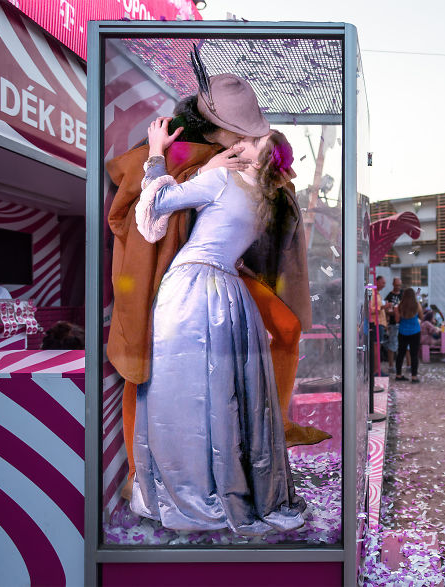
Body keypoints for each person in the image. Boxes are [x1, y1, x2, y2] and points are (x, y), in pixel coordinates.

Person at [106, 67, 326, 502]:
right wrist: (178, 162)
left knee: (277, 334)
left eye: (252, 134)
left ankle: (263, 433)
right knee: (149, 372)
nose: (246, 141)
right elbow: (138, 206)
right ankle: (142, 470)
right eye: (239, 132)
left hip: (222, 274)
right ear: (218, 125)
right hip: (174, 275)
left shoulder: (237, 164)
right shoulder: (190, 151)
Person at [130, 118, 305, 534]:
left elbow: (158, 204)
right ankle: (225, 487)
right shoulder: (263, 199)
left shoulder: (224, 180)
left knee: (180, 394)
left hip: (192, 288)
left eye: (252, 140)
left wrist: (157, 152)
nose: (242, 142)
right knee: (223, 398)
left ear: (263, 155)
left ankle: (189, 492)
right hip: (229, 293)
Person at [395, 287, 423, 383]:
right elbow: (421, 316)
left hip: (402, 332)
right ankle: (414, 377)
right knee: (414, 355)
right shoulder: (417, 305)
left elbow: (397, 320)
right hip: (415, 331)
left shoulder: (399, 306)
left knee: (400, 353)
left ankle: (398, 375)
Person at [369, 275, 388, 376]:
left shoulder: (377, 294)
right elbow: (370, 309)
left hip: (379, 323)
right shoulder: (372, 293)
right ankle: (376, 370)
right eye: (383, 283)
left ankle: (377, 369)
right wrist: (383, 307)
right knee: (376, 347)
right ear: (377, 282)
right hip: (375, 323)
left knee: (378, 347)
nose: (384, 285)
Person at [384, 277, 403, 373]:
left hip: (403, 323)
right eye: (397, 285)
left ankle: (407, 365)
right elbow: (386, 310)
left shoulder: (403, 294)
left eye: (400, 285)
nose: (398, 287)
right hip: (393, 324)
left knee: (404, 345)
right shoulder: (389, 296)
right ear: (393, 284)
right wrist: (395, 312)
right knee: (392, 344)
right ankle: (391, 366)